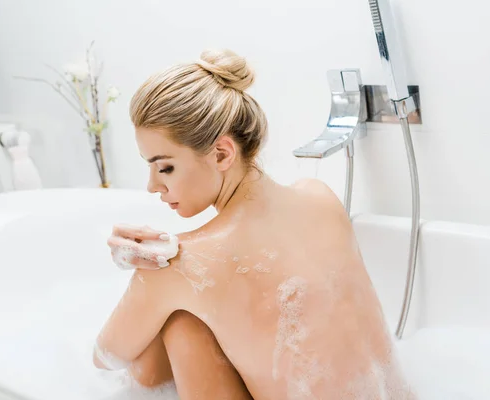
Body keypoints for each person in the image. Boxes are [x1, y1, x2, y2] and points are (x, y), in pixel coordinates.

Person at [93, 49, 415, 399]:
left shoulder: (181, 265)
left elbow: (106, 359)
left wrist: (144, 275)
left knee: (181, 322)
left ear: (222, 154)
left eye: (164, 167)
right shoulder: (319, 196)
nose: (153, 186)